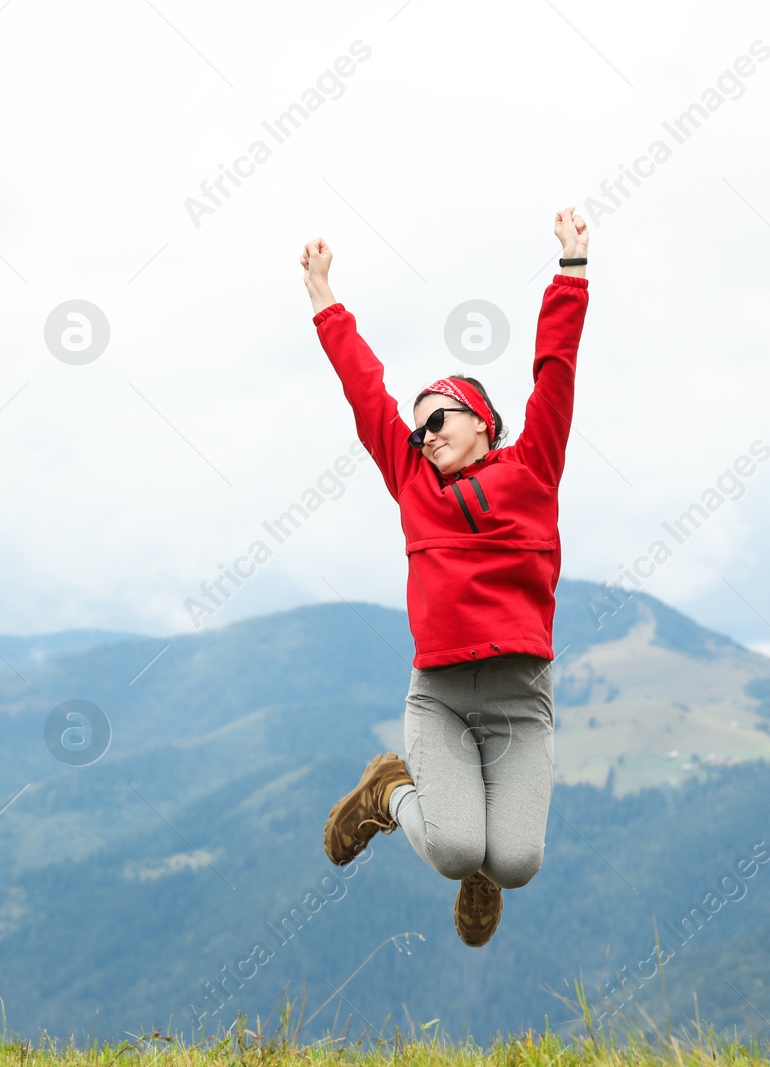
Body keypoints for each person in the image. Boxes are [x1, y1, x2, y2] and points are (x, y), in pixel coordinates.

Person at [299, 209, 590, 947]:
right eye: (419, 427)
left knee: (516, 861)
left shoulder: (533, 469)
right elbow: (364, 393)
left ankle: (485, 870)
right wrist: (325, 299)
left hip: (521, 701)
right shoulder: (412, 481)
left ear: (484, 423)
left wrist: (572, 273)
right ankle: (388, 789)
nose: (424, 435)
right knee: (458, 848)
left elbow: (555, 371)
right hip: (442, 700)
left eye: (439, 420)